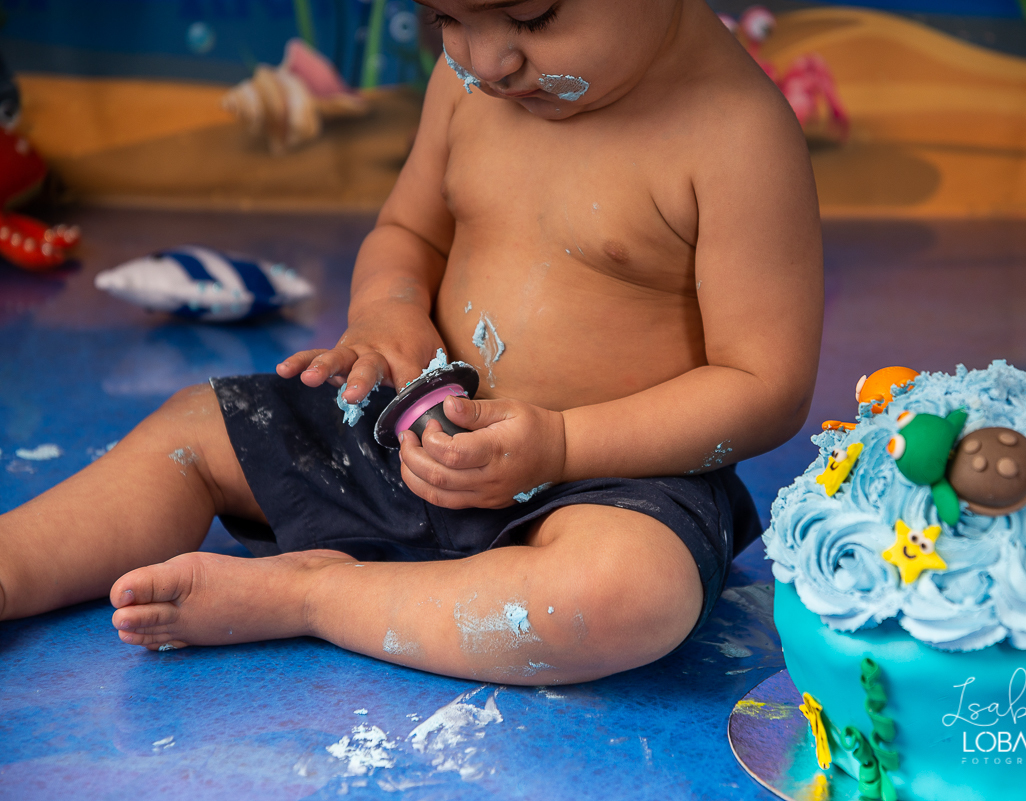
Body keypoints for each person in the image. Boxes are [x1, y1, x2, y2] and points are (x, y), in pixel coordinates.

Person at [0, 0, 822, 684]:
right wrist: (389, 313)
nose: (488, 58)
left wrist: (566, 442)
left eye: (533, 16)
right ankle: (13, 563)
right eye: (444, 18)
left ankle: (318, 595)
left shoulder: (736, 136)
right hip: (413, 428)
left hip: (607, 484)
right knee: (194, 427)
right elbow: (408, 233)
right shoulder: (468, 84)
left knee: (627, 596)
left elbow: (764, 384)